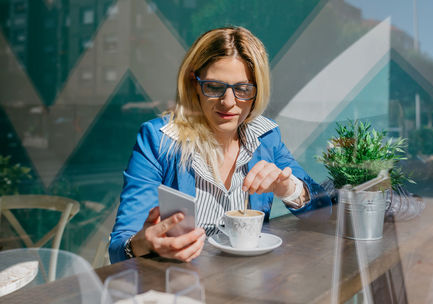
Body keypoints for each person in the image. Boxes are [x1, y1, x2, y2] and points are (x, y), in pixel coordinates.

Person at [109, 26, 332, 263]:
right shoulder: (159, 139)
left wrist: (289, 188)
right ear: (195, 84)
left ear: (257, 92)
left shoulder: (266, 136)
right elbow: (118, 248)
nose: (228, 103)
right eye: (214, 87)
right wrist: (144, 243)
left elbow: (322, 212)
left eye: (243, 89)